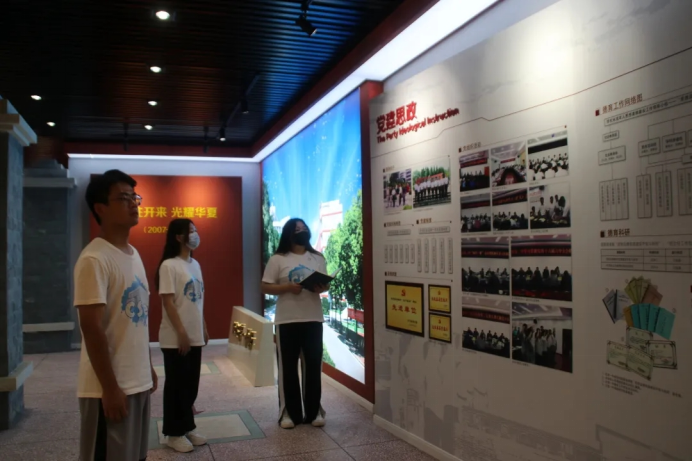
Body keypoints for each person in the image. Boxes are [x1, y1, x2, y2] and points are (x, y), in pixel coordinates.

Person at [74, 170, 157, 462]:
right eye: (123, 198)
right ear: (100, 208)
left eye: (135, 197)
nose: (133, 203)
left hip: (137, 382)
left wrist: (147, 367)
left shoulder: (133, 254)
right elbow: (91, 327)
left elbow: (137, 322)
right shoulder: (94, 259)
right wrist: (109, 388)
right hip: (108, 388)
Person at [261, 219, 330, 430]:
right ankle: (288, 413)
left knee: (313, 368)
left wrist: (321, 288)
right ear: (289, 234)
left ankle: (314, 411)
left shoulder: (317, 258)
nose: (302, 231)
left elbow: (325, 285)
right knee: (288, 370)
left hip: (313, 318)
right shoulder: (278, 259)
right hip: (287, 320)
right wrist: (287, 288)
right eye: (297, 229)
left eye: (304, 228)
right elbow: (265, 286)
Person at [155, 219, 210, 453]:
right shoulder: (169, 266)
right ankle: (173, 433)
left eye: (195, 230)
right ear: (178, 237)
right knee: (176, 386)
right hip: (175, 337)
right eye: (191, 231)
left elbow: (198, 300)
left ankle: (187, 426)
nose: (195, 234)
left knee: (190, 386)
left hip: (194, 334)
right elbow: (168, 302)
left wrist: (203, 326)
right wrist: (181, 333)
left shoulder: (195, 264)